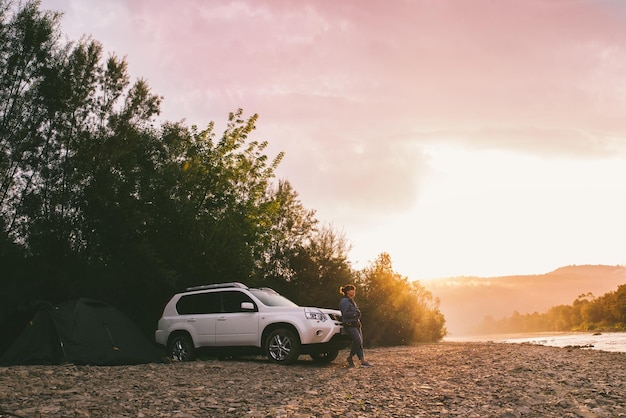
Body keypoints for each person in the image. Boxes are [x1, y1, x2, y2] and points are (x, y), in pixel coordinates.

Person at [339, 284, 373, 368]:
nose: (353, 292)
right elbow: (345, 313)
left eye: (354, 290)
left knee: (360, 342)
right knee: (357, 341)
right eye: (351, 290)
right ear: (347, 291)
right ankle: (350, 357)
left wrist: (357, 313)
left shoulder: (352, 301)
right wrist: (355, 313)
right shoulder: (344, 301)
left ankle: (362, 361)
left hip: (356, 324)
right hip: (349, 324)